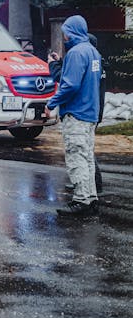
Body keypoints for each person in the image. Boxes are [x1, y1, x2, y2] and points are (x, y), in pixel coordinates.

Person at [44, 15, 103, 217]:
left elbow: (70, 85)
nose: (65, 36)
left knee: (76, 157)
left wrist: (51, 102)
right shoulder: (93, 52)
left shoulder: (76, 53)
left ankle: (81, 200)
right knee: (87, 157)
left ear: (71, 32)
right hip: (90, 113)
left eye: (66, 32)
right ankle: (91, 197)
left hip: (76, 113)